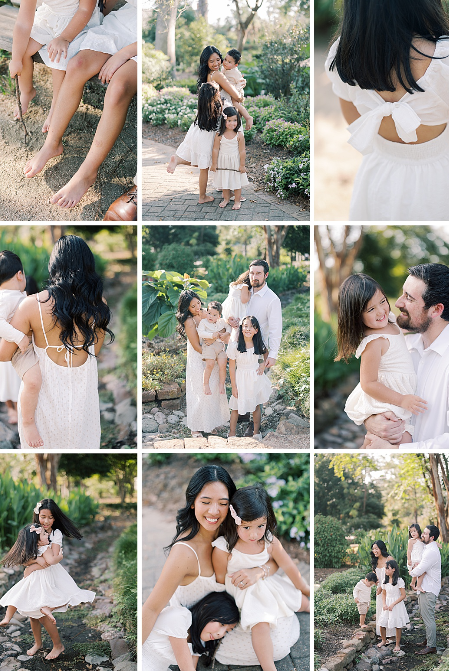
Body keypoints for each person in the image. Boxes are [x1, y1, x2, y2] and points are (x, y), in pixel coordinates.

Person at [142, 465, 301, 667]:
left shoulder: (233, 532)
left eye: (223, 503)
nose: (214, 511)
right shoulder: (184, 552)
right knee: (275, 645)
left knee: (276, 625)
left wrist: (258, 571)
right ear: (192, 503)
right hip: (208, 621)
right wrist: (138, 657)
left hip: (237, 606)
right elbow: (151, 609)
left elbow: (274, 561)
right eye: (205, 502)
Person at [325, 0, 449, 221]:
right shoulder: (443, 59)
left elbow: (353, 119)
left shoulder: (343, 55)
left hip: (379, 174)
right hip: (439, 179)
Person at [0, 236, 114, 449]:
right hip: (84, 410)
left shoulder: (31, 305)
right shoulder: (99, 306)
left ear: (54, 265)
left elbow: (4, 354)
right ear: (88, 265)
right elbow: (93, 353)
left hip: (42, 412)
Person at [23, 0, 137, 211]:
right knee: (77, 64)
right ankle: (52, 143)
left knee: (118, 87)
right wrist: (101, 14)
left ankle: (87, 173)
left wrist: (123, 53)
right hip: (125, 21)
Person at [212, 484, 310, 671]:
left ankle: (309, 606)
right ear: (234, 521)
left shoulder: (269, 542)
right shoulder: (223, 548)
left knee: (297, 599)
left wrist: (304, 587)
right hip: (241, 592)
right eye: (246, 526)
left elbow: (287, 565)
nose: (254, 534)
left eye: (260, 526)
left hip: (266, 583)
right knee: (260, 622)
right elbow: (219, 578)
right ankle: (268, 667)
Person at [361, 264, 449, 447]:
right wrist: (371, 419)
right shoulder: (402, 345)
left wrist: (395, 450)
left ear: (436, 310)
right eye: (402, 293)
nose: (398, 303)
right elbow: (369, 390)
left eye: (409, 298)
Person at [335, 273, 426, 444]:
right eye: (370, 309)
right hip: (389, 400)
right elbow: (368, 383)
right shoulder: (374, 342)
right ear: (357, 315)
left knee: (378, 442)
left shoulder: (390, 321)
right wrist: (402, 400)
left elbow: (403, 331)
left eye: (382, 301)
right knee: (398, 439)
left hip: (399, 396)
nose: (381, 311)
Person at [0, 498, 95, 660]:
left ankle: (58, 645)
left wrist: (35, 564)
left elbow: (50, 561)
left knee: (43, 613)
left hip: (49, 576)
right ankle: (38, 643)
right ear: (37, 515)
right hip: (33, 577)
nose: (46, 521)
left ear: (55, 518)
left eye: (50, 517)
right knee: (32, 612)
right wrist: (34, 563)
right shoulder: (32, 531)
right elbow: (25, 559)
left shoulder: (55, 534)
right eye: (43, 516)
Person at [9, 0, 98, 132]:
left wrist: (64, 38)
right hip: (51, 18)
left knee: (58, 59)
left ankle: (55, 107)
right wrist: (16, 58)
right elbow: (23, 23)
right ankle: (27, 91)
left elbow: (85, 10)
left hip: (77, 21)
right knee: (22, 51)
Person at [227, 260, 282, 437]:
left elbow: (275, 329)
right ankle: (239, 418)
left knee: (254, 389)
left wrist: (272, 355)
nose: (254, 277)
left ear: (266, 275)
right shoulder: (243, 292)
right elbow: (233, 312)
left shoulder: (272, 299)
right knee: (239, 385)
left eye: (258, 273)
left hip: (257, 350)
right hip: (238, 345)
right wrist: (232, 321)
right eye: (252, 273)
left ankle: (254, 425)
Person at [0, 251, 43, 447]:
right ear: (19, 275)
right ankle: (27, 421)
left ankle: (31, 414)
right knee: (32, 381)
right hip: (16, 349)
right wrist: (18, 337)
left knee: (34, 382)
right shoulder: (5, 297)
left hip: (24, 347)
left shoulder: (15, 296)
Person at [176, 291, 229, 437]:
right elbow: (196, 345)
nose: (197, 307)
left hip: (213, 352)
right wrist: (209, 355)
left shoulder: (206, 312)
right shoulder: (189, 321)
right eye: (193, 306)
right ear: (187, 308)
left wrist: (224, 333)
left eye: (198, 303)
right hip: (199, 355)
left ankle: (209, 423)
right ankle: (195, 427)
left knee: (212, 387)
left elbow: (219, 325)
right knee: (199, 390)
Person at [142, 592, 239, 671]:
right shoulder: (179, 617)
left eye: (227, 631)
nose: (221, 634)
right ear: (206, 609)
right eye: (222, 624)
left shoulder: (198, 641)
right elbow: (187, 669)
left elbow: (191, 667)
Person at [167, 82, 223, 204]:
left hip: (196, 132)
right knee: (204, 167)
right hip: (207, 137)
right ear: (215, 95)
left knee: (203, 163)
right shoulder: (217, 107)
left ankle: (178, 160)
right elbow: (219, 129)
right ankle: (202, 197)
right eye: (217, 91)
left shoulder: (203, 106)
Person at [227, 317, 272, 441]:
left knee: (256, 405)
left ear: (256, 330)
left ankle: (256, 432)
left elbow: (267, 355)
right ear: (241, 328)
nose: (248, 329)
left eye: (251, 326)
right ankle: (231, 433)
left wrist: (263, 365)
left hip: (255, 377)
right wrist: (234, 386)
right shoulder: (235, 345)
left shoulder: (258, 343)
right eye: (245, 326)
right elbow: (231, 368)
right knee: (235, 406)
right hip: (241, 377)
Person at [409, 524, 441, 656]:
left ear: (432, 537)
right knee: (424, 615)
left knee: (429, 618)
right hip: (425, 588)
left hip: (429, 589)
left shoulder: (431, 551)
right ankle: (429, 639)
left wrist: (411, 571)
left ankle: (431, 646)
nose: (423, 534)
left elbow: (419, 569)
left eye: (425, 533)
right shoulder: (428, 547)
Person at [210, 106, 248, 210]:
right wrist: (214, 163)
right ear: (224, 121)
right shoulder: (219, 135)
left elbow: (242, 151)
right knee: (224, 182)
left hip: (235, 161)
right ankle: (226, 199)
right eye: (229, 120)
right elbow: (215, 149)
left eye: (235, 120)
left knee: (236, 182)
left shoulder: (239, 135)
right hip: (223, 162)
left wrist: (242, 165)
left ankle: (237, 201)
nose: (232, 123)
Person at [196, 301, 231, 396]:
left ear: (219, 316)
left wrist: (227, 333)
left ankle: (221, 384)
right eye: (209, 313)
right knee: (210, 364)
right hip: (209, 346)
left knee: (223, 364)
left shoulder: (222, 322)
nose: (211, 316)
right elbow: (200, 332)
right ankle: (205, 384)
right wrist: (212, 335)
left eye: (214, 315)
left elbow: (229, 327)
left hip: (220, 348)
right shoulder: (204, 322)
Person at [377, 560, 409, 653]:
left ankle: (397, 644)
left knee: (397, 625)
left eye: (388, 568)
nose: (386, 570)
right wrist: (384, 604)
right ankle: (383, 640)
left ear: (394, 569)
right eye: (385, 568)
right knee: (382, 623)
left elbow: (403, 595)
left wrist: (393, 604)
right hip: (387, 603)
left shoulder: (399, 581)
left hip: (396, 604)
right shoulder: (384, 581)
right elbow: (383, 594)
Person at [221, 49, 253, 130]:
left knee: (235, 103)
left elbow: (241, 82)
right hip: (230, 90)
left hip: (237, 91)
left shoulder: (235, 72)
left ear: (235, 65)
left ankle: (248, 117)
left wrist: (235, 91)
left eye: (229, 62)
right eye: (225, 59)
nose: (225, 62)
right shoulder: (224, 68)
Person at [370, 540, 395, 640]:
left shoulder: (389, 559)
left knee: (389, 611)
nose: (374, 551)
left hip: (389, 589)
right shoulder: (374, 561)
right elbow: (376, 576)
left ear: (381, 548)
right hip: (380, 590)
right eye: (373, 549)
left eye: (376, 548)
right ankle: (382, 634)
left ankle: (392, 635)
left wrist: (382, 586)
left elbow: (394, 574)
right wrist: (376, 583)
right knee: (381, 611)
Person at [407, 524, 426, 592]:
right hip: (414, 559)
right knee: (417, 570)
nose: (413, 533)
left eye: (414, 531)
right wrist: (409, 559)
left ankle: (414, 584)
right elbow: (409, 551)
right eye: (411, 532)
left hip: (421, 558)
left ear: (418, 530)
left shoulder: (422, 539)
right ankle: (415, 584)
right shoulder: (411, 541)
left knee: (420, 571)